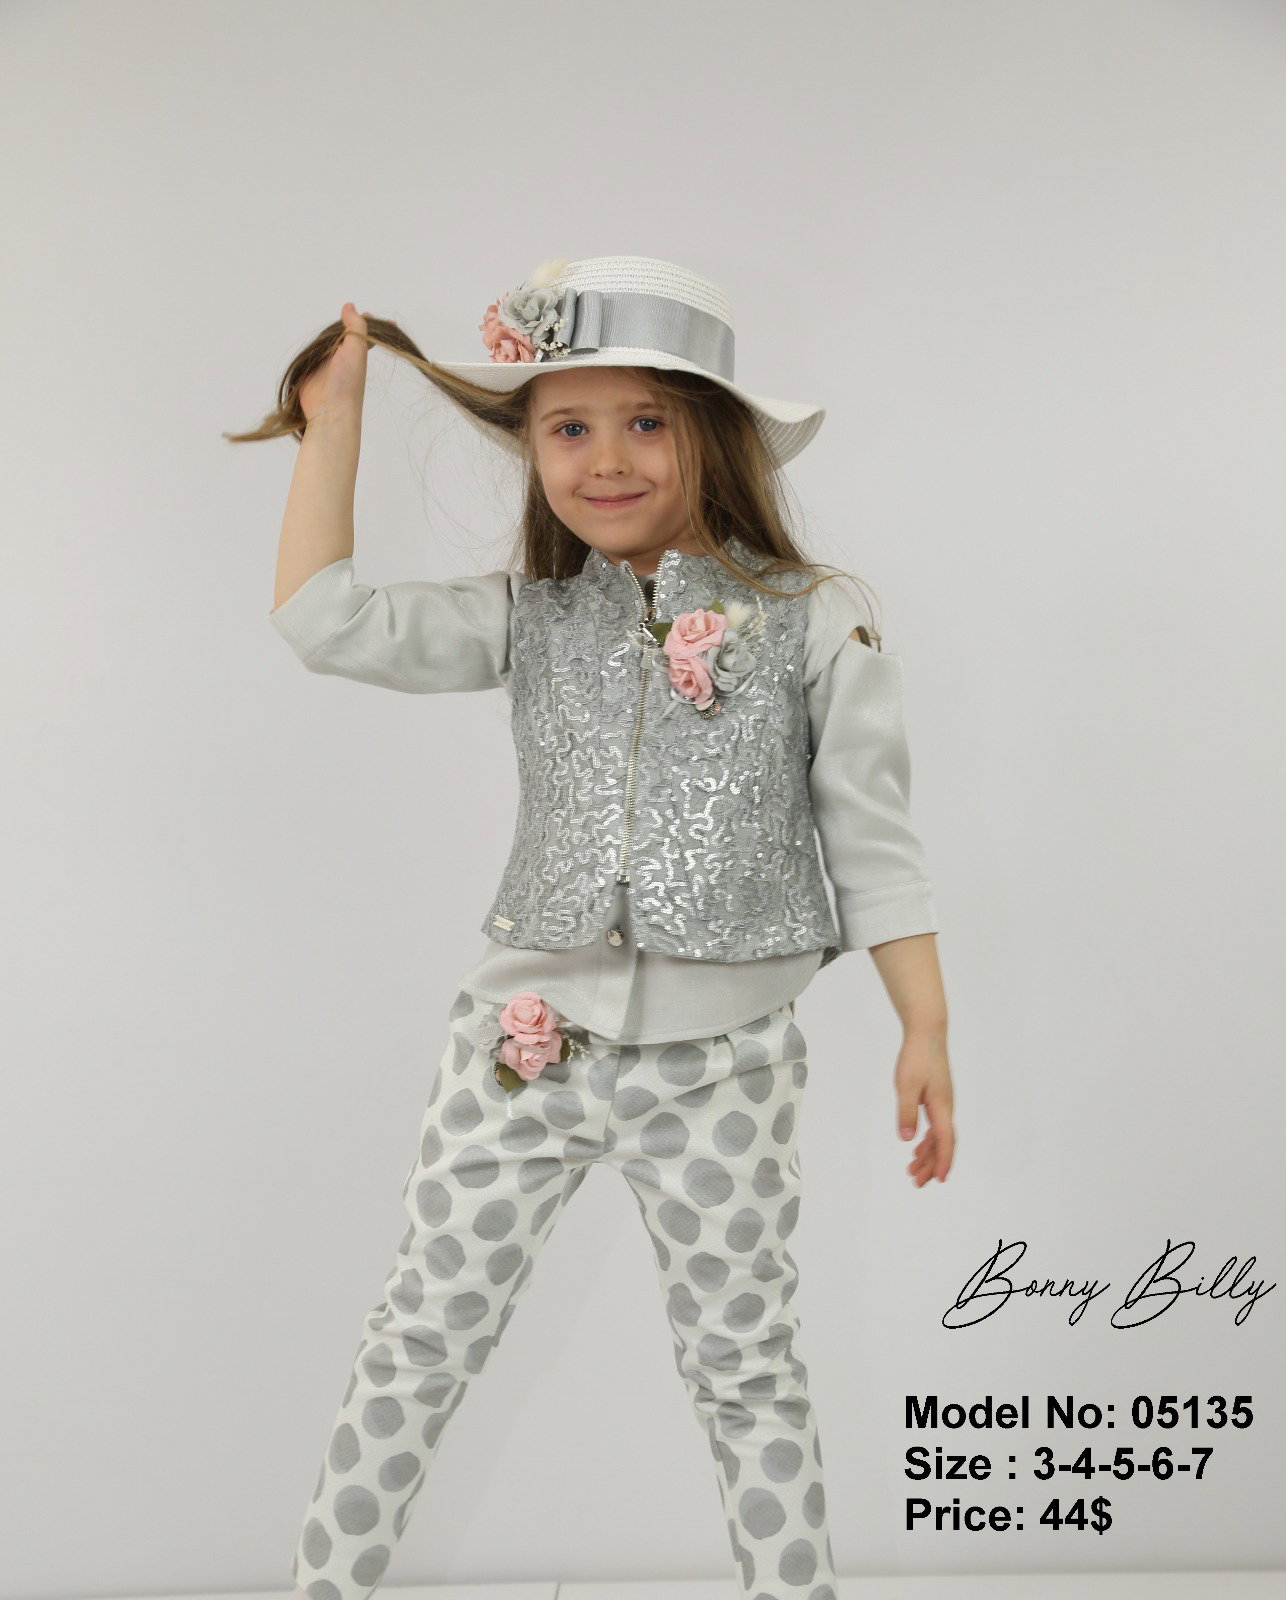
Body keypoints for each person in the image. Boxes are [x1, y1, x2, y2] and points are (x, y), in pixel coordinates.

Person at [238, 255, 955, 1600]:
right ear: (531, 447)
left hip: (725, 1062)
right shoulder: (529, 615)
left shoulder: (814, 618)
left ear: (714, 436)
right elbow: (323, 621)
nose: (605, 459)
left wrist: (924, 1022)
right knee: (419, 1340)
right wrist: (335, 422)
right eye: (568, 426)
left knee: (746, 1363)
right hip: (519, 1048)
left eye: (647, 421)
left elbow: (873, 835)